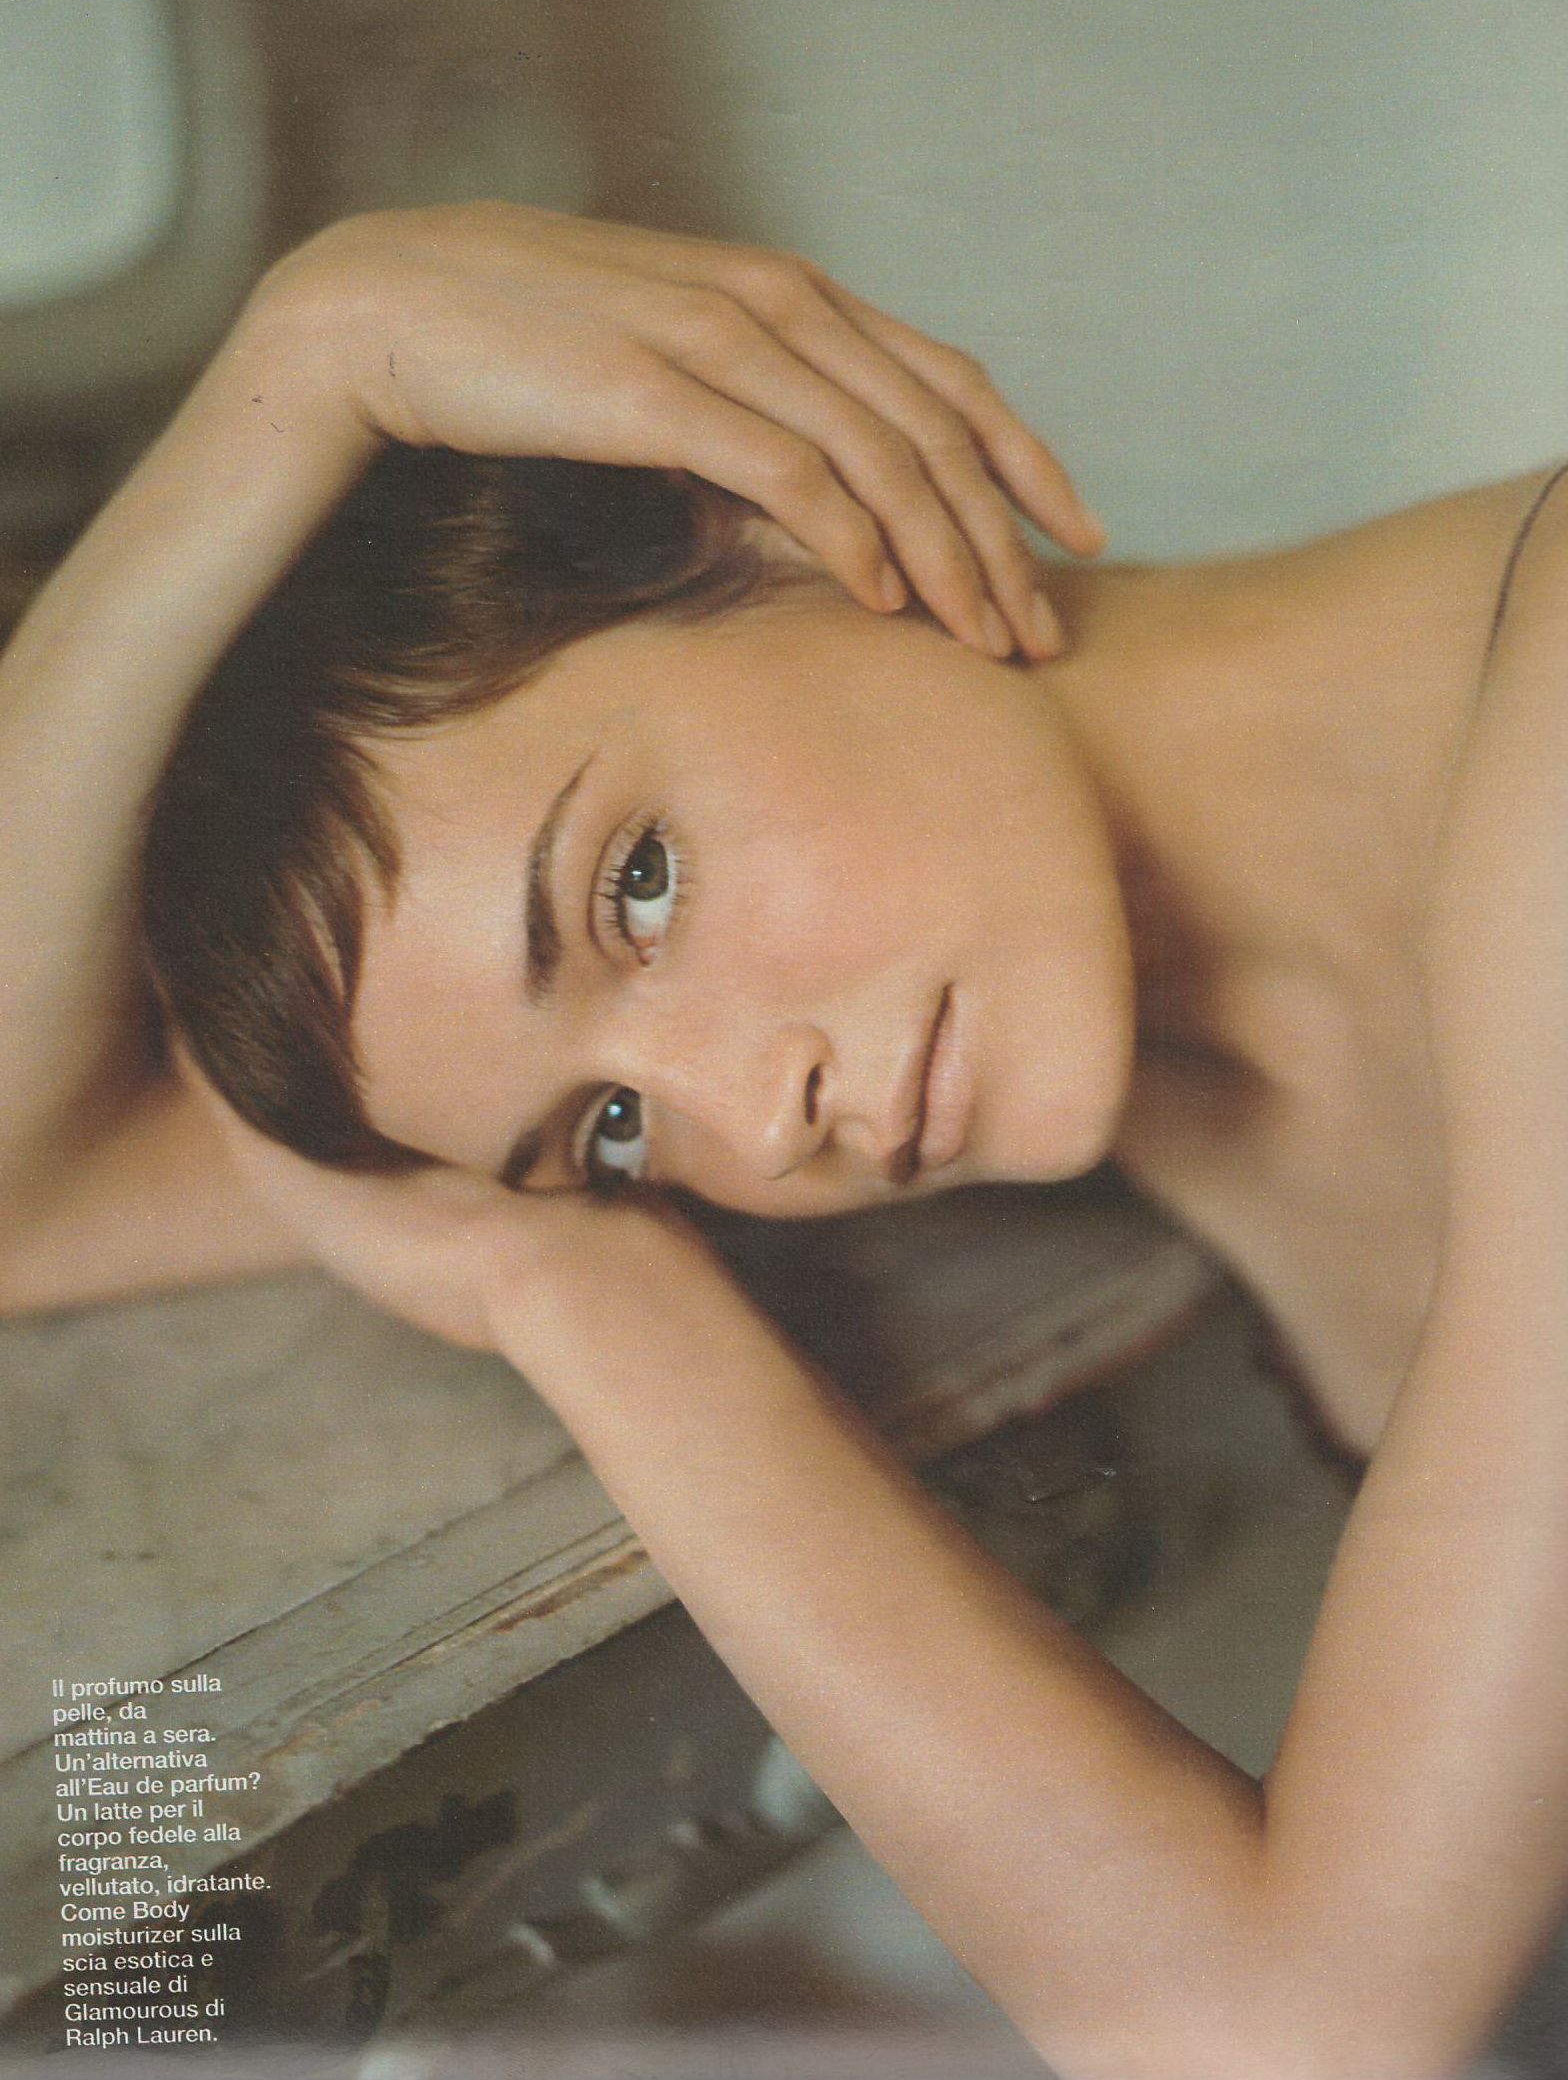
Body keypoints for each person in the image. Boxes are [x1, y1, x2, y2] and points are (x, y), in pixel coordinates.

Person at [1, 201, 1565, 2079]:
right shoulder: (1130, 1035)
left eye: (638, 887)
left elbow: (1293, 2028)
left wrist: (606, 1315)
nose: (755, 1116)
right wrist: (282, 389)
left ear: (786, 510)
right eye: (610, 1130)